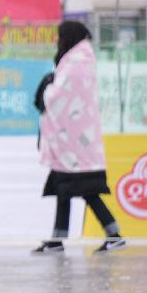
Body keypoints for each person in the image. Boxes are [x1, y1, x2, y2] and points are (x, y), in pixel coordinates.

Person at [33, 20, 126, 254]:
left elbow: (59, 96)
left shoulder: (75, 64)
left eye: (60, 36)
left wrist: (46, 88)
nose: (57, 41)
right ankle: (58, 239)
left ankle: (113, 235)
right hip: (73, 145)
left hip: (74, 144)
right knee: (65, 188)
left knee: (85, 190)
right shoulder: (79, 61)